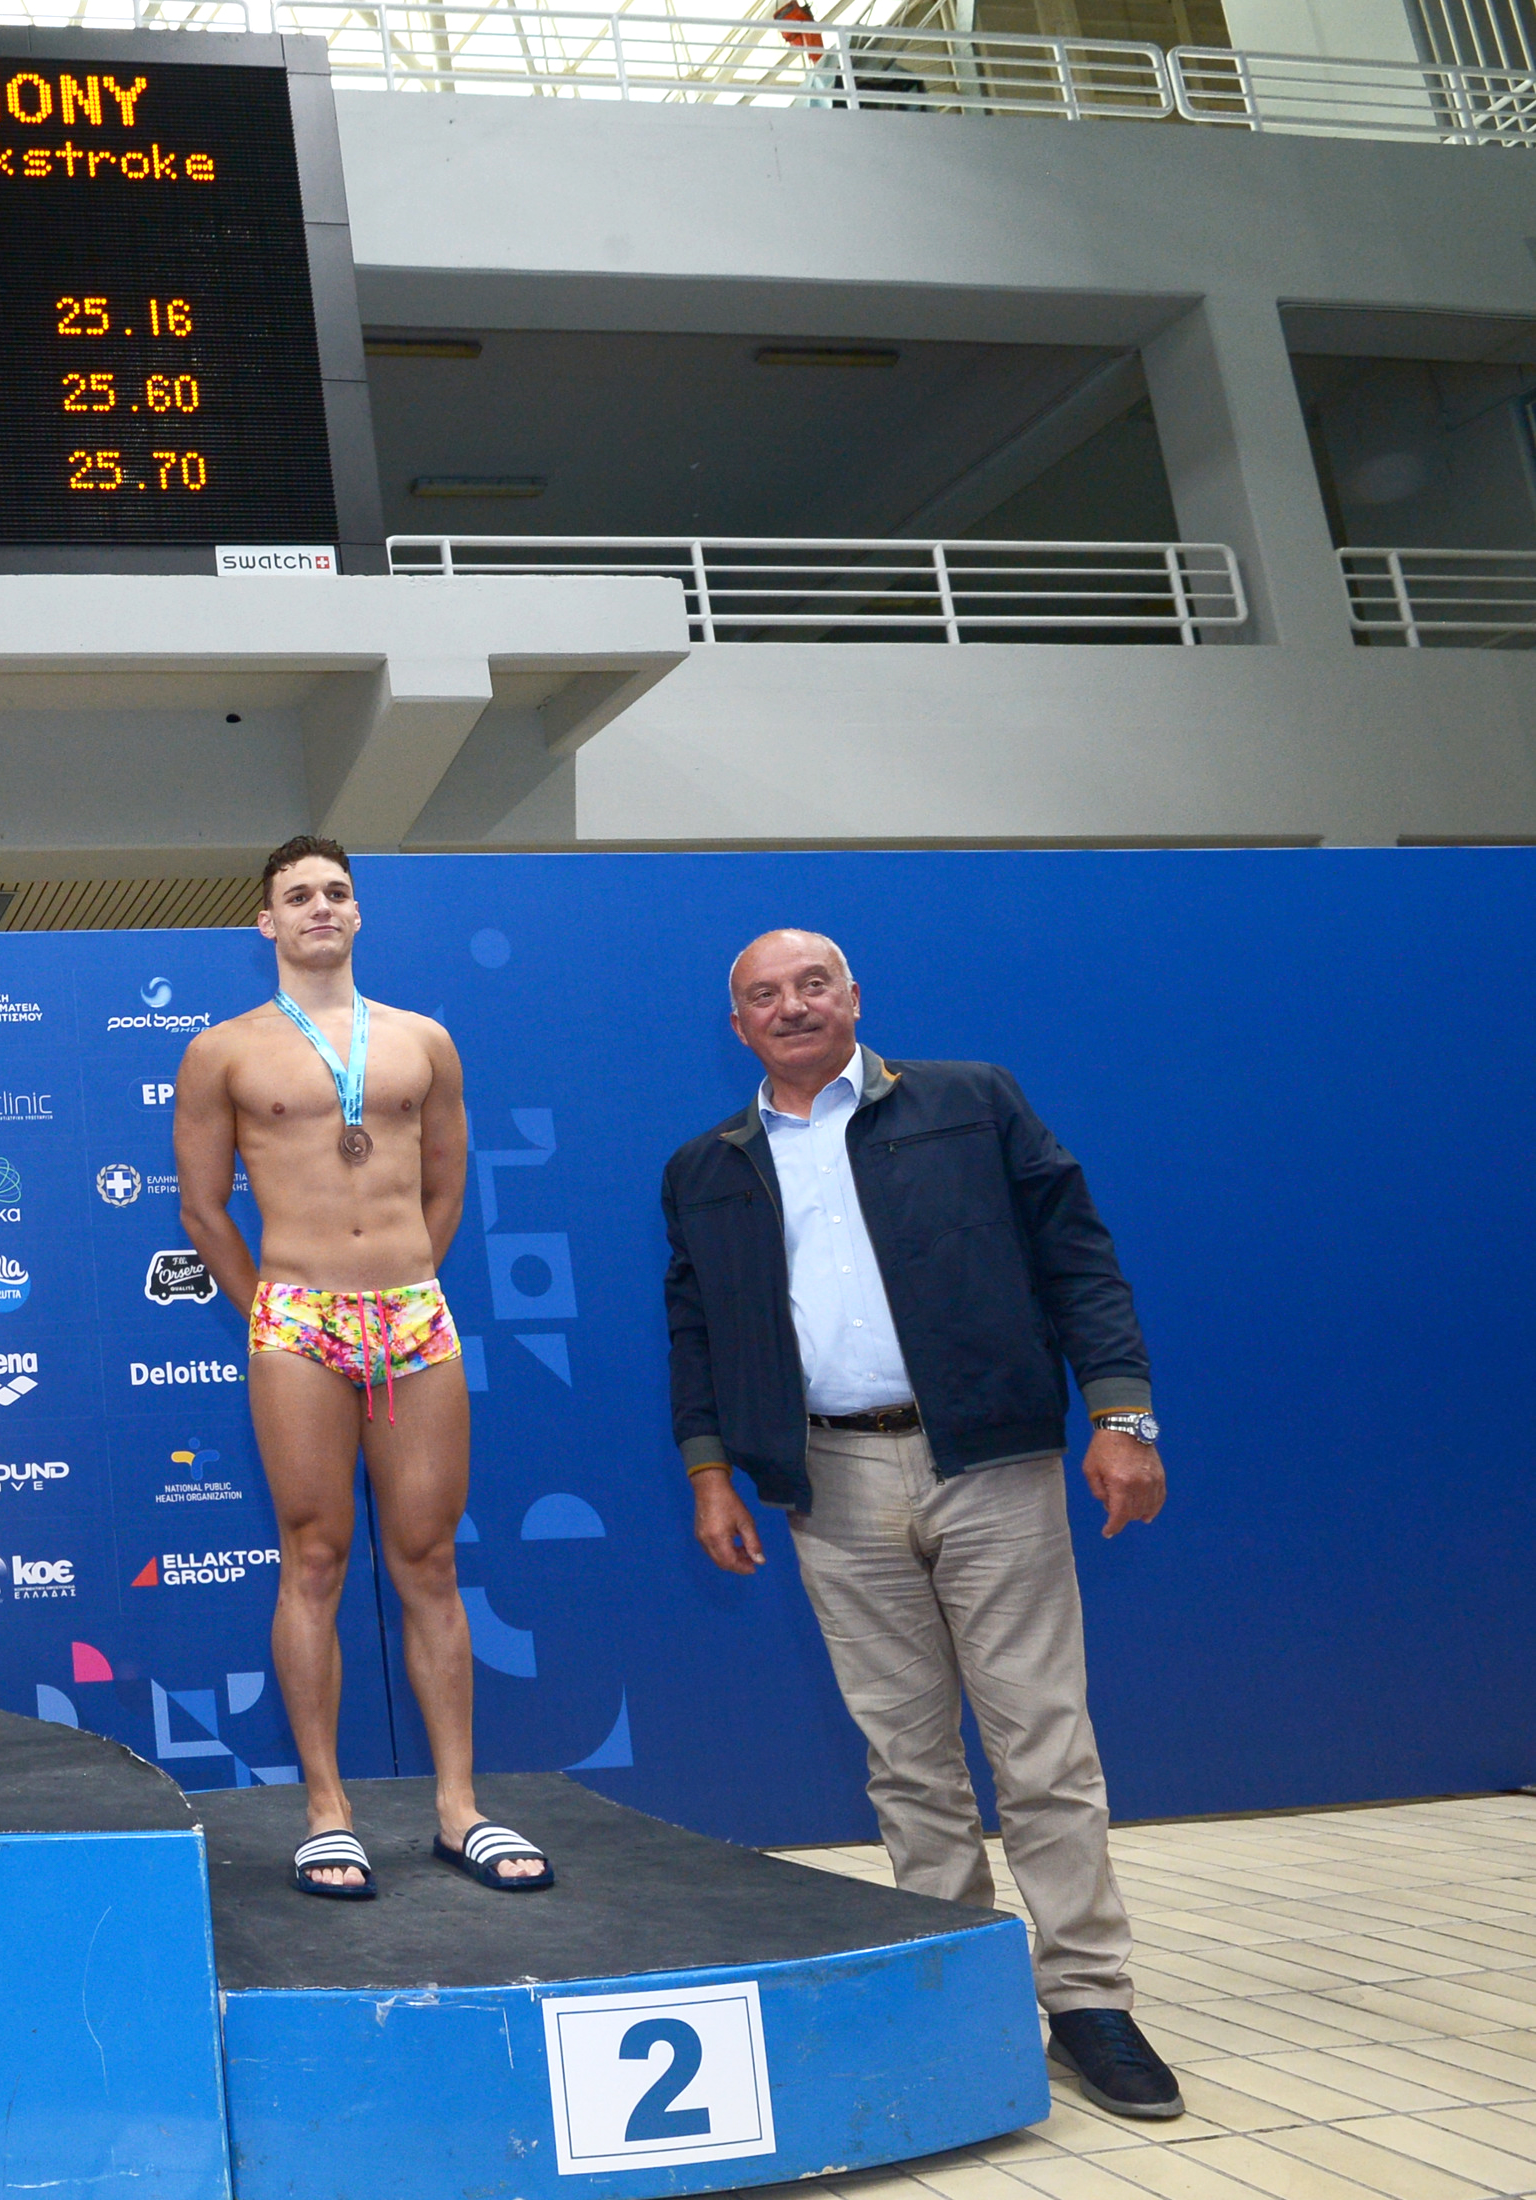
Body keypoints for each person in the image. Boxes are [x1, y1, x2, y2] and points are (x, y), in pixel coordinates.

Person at [663, 928, 1182, 2120]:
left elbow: (1078, 1256)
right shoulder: (706, 1166)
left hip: (993, 1460)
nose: (792, 1006)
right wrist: (709, 1469)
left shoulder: (972, 1102)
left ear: (854, 995)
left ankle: (1089, 1999)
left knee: (1042, 1743)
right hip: (828, 1482)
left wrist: (1124, 1415)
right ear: (737, 1026)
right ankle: (958, 1987)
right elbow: (695, 1327)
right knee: (906, 1759)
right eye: (763, 995)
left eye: (813, 984)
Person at [171, 836, 549, 1900]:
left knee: (428, 1558)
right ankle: (327, 1811)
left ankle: (459, 1807)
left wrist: (405, 1277)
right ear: (266, 922)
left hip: (413, 1314)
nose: (319, 907)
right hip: (296, 1318)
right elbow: (202, 1208)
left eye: (336, 891)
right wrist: (273, 1310)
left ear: (359, 911)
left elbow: (447, 1184)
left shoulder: (424, 1041)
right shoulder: (222, 1052)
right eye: (297, 895)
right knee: (313, 1556)